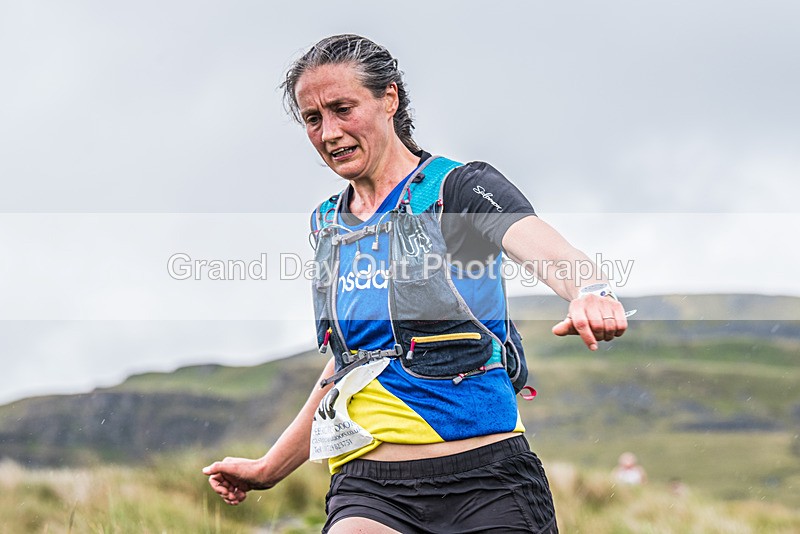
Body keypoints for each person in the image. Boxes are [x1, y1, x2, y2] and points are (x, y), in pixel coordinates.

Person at [203, 34, 630, 533]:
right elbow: (348, 366)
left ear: (389, 99)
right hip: (370, 491)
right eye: (313, 119)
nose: (329, 132)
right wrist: (269, 468)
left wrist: (591, 293)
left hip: (488, 482)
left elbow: (553, 254)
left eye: (343, 108)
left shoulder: (458, 188)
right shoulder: (328, 225)